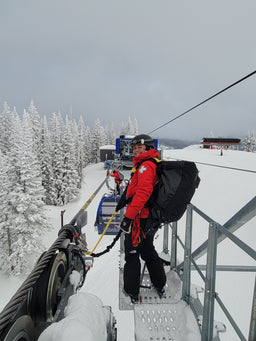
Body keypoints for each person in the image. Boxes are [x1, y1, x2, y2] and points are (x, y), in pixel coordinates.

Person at [119, 134, 166, 303]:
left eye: (140, 147)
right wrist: (124, 198)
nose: (136, 150)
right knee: (147, 249)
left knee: (132, 252)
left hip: (141, 217)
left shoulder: (146, 165)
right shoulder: (147, 163)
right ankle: (160, 283)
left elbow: (144, 193)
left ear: (148, 148)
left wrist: (128, 217)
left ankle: (131, 290)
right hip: (148, 216)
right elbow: (137, 188)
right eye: (135, 148)